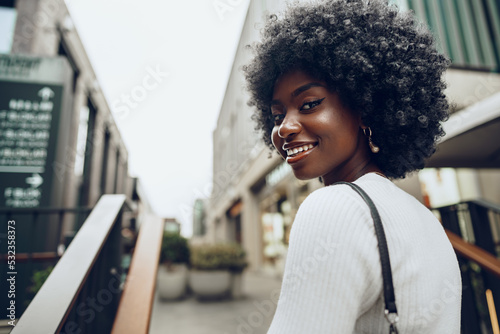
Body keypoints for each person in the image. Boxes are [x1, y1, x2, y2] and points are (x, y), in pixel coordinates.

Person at [243, 0, 462, 333]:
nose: (284, 128)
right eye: (277, 116)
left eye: (309, 104)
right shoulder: (425, 220)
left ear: (364, 105)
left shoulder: (334, 207)